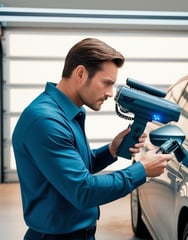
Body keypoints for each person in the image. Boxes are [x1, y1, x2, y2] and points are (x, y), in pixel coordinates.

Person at [12, 38, 172, 240]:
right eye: (107, 83)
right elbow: (83, 190)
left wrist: (111, 150)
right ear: (80, 73)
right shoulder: (46, 121)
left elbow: (75, 167)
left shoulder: (68, 112)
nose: (110, 93)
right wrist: (142, 170)